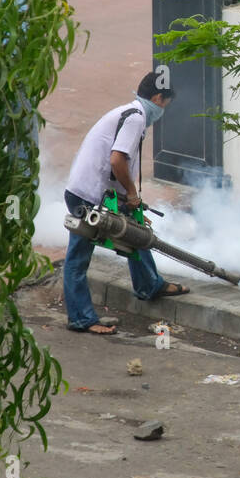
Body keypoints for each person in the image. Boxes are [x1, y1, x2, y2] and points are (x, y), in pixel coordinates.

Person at [62, 71, 189, 334]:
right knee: (78, 257)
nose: (163, 110)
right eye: (165, 104)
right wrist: (131, 194)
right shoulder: (136, 118)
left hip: (95, 192)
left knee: (136, 231)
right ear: (157, 98)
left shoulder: (131, 113)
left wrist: (132, 201)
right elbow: (117, 160)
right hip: (88, 195)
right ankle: (81, 319)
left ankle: (149, 285)